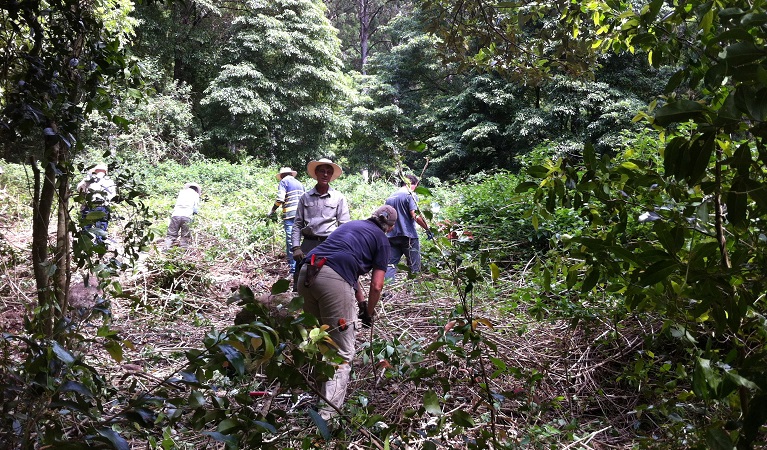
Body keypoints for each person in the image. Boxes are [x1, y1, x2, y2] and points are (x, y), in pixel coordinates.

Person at [296, 205, 396, 421]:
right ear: (390, 227)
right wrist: (369, 312)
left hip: (307, 271)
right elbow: (377, 285)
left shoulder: (351, 226)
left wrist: (360, 304)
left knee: (319, 340)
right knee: (341, 353)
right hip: (332, 279)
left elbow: (349, 269)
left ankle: (316, 399)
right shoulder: (381, 239)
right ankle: (326, 417)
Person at [290, 158, 350, 269]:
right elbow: (297, 224)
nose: (325, 174)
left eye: (329, 172)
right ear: (316, 173)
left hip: (330, 243)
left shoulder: (339, 198)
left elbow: (344, 226)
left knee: (329, 278)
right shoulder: (305, 197)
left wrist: (342, 248)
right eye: (322, 171)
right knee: (301, 278)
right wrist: (296, 247)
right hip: (308, 244)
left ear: (332, 176)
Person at [384, 174, 433, 281]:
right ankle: (414, 291)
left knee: (390, 264)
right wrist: (427, 229)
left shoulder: (390, 197)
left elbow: (385, 218)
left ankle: (388, 292)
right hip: (408, 236)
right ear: (412, 184)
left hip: (392, 236)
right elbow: (414, 215)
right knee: (414, 266)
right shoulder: (410, 195)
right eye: (416, 185)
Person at [268, 167, 305, 273]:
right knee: (299, 242)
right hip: (301, 216)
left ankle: (294, 270)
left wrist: (272, 210)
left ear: (282, 175)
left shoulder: (284, 181)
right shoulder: (299, 183)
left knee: (291, 243)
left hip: (290, 216)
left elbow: (280, 198)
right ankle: (301, 268)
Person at [77, 163, 117, 243]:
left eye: (102, 171)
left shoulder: (109, 181)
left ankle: (100, 246)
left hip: (102, 207)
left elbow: (113, 194)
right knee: (86, 228)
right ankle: (86, 248)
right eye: (98, 170)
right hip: (88, 206)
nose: (100, 172)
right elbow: (79, 189)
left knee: (101, 229)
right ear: (94, 171)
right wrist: (86, 181)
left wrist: (107, 201)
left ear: (105, 172)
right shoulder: (88, 180)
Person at [163, 182, 201, 250]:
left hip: (175, 215)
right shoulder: (196, 195)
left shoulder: (182, 192)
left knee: (171, 235)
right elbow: (195, 209)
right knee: (185, 236)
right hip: (187, 216)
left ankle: (165, 249)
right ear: (196, 190)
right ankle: (182, 252)